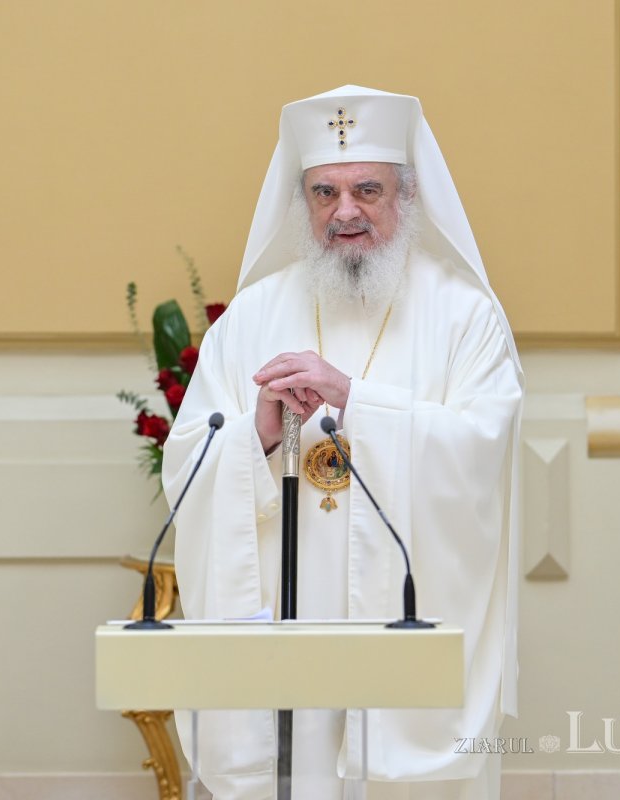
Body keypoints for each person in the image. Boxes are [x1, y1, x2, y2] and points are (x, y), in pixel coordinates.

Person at [162, 85, 524, 800]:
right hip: (282, 656)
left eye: (368, 189)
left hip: (403, 647)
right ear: (302, 203)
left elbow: (484, 450)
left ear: (408, 197)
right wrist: (259, 438)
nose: (345, 211)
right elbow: (188, 459)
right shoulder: (253, 317)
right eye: (324, 192)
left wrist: (359, 403)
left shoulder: (465, 317)